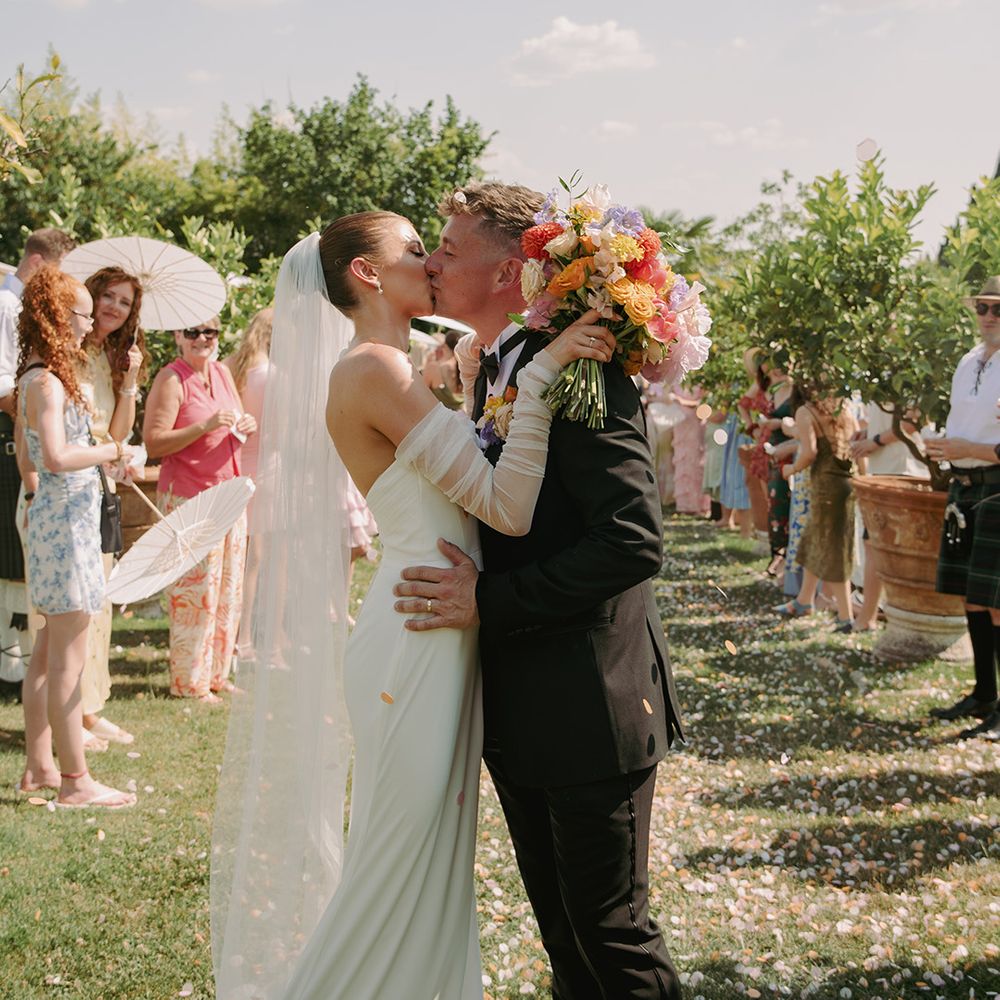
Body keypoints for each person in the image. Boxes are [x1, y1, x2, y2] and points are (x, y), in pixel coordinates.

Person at [210, 210, 614, 1000]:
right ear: (367, 273)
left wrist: (469, 389)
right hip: (417, 633)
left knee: (429, 861)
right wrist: (537, 381)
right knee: (395, 863)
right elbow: (505, 508)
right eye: (416, 249)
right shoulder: (373, 372)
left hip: (437, 624)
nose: (431, 263)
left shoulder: (394, 370)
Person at [395, 182, 685, 999]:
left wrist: (487, 603)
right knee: (563, 935)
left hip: (589, 703)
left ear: (506, 272)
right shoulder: (496, 367)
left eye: (448, 249)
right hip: (519, 703)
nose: (430, 261)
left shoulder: (581, 370)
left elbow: (631, 539)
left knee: (611, 937)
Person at [14, 266, 137, 807]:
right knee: (68, 659)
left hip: (63, 520)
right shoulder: (45, 381)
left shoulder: (39, 376)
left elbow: (43, 454)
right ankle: (75, 781)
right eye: (83, 314)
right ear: (58, 317)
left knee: (46, 654)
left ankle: (39, 767)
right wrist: (112, 451)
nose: (90, 323)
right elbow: (57, 456)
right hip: (65, 525)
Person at [142, 317, 256, 702]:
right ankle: (189, 682)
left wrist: (244, 424)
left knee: (227, 591)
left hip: (229, 493)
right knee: (195, 593)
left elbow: (233, 422)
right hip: (191, 498)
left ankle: (216, 675)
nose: (201, 339)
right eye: (192, 332)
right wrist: (205, 425)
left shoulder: (221, 372)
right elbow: (154, 443)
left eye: (210, 332)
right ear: (178, 335)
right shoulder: (171, 379)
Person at [70, 266, 146, 746]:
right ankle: (69, 714)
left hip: (103, 489)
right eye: (109, 296)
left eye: (125, 302)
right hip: (72, 486)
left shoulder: (108, 357)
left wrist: (131, 377)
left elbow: (118, 433)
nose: (115, 307)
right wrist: (111, 452)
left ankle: (90, 707)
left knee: (99, 605)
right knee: (75, 607)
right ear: (92, 296)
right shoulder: (67, 353)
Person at [0, 229, 76, 700]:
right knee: (13, 561)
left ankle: (19, 665)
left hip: (24, 432)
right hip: (13, 439)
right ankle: (12, 669)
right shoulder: (7, 305)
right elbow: (1, 385)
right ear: (37, 263)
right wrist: (40, 406)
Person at [925, 276, 1000, 741]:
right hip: (966, 488)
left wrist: (969, 448)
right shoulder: (968, 360)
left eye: (999, 309)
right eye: (982, 307)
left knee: (999, 605)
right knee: (973, 597)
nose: (989, 316)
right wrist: (947, 449)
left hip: (997, 487)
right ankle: (984, 694)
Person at [776, 396, 858, 626]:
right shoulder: (844, 409)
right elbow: (855, 443)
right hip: (846, 481)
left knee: (834, 549)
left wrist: (792, 468)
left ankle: (846, 616)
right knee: (812, 540)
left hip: (825, 485)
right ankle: (804, 601)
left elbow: (809, 452)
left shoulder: (806, 411)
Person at [848, 402, 925, 631]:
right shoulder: (877, 382)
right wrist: (869, 434)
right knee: (873, 543)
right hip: (884, 468)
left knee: (891, 547)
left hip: (903, 470)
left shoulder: (906, 379)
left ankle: (893, 618)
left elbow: (912, 422)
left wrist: (875, 441)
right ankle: (868, 617)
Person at [422, 328, 464, 409]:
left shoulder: (434, 367)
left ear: (444, 345)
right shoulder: (465, 368)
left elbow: (422, 395)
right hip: (461, 415)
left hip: (439, 415)